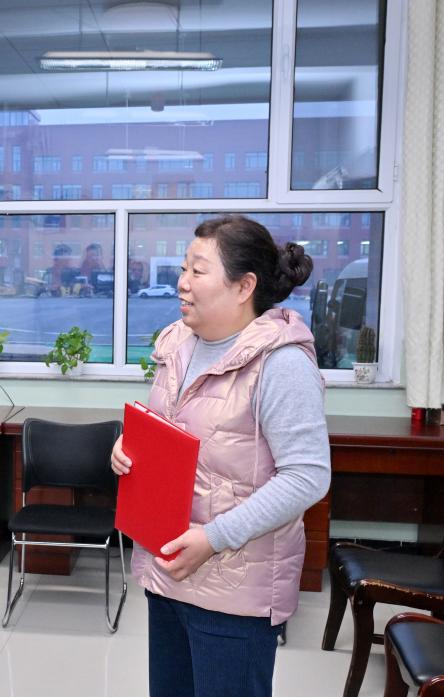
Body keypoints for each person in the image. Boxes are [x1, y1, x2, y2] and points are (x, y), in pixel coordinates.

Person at [111, 215, 331, 697]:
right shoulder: (178, 345)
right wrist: (127, 449)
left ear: (244, 286)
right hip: (168, 570)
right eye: (183, 269)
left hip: (234, 588)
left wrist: (213, 538)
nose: (182, 282)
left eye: (198, 270)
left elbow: (307, 477)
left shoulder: (281, 362)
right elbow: (168, 430)